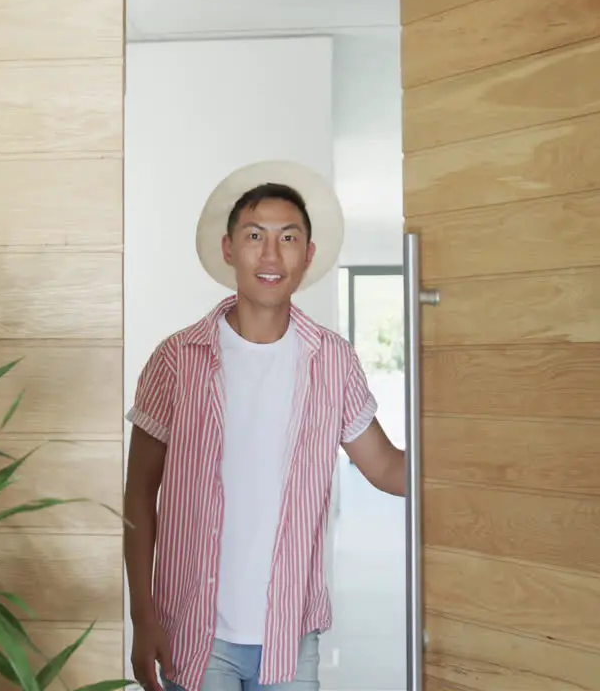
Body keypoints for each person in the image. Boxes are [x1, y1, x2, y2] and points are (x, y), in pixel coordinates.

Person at [123, 160, 407, 691]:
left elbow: (386, 466)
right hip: (196, 636)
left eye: (288, 238)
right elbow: (139, 494)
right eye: (255, 236)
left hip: (291, 641)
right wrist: (144, 617)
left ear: (308, 255)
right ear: (229, 248)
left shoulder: (332, 361)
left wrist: (474, 467)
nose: (271, 255)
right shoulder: (176, 359)